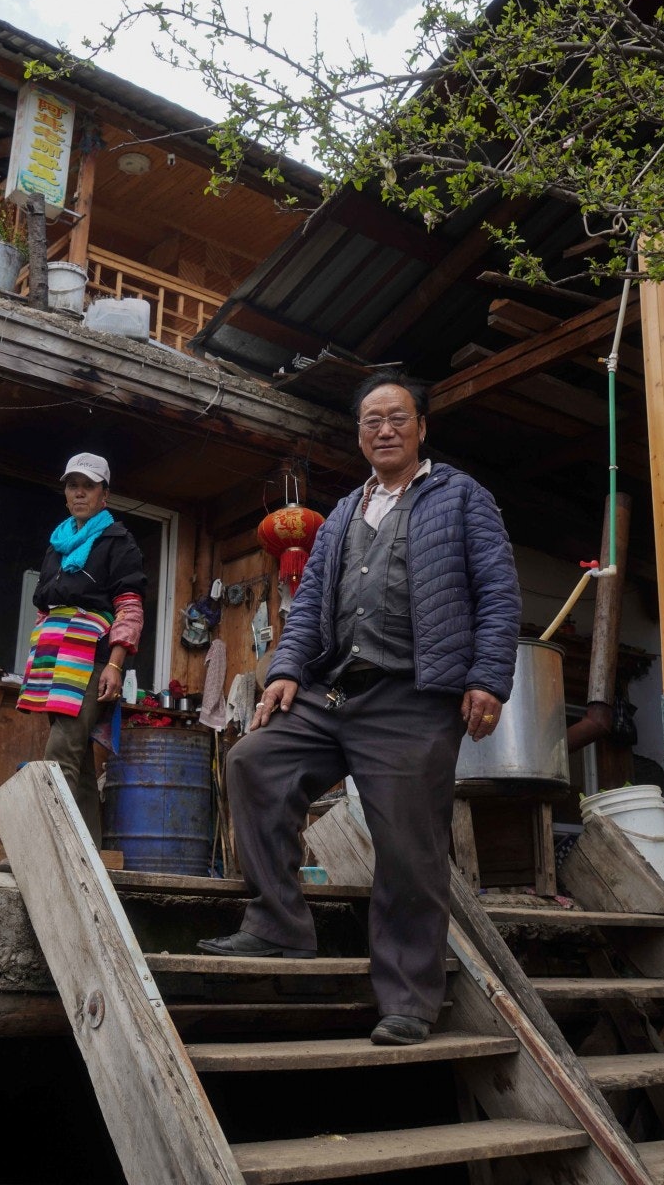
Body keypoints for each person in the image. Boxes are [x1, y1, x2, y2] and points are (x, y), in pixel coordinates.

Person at [200, 370, 521, 1046]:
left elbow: (497, 591)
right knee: (256, 760)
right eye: (372, 420)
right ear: (359, 433)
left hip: (415, 697)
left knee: (409, 848)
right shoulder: (345, 510)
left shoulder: (461, 497)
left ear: (421, 427)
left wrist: (489, 677)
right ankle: (278, 927)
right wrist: (286, 669)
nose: (384, 429)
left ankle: (408, 1000)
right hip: (337, 689)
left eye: (397, 418)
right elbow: (312, 602)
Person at [17, 453, 147, 838]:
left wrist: (116, 664)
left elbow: (130, 607)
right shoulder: (57, 543)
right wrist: (36, 657)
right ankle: (90, 850)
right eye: (72, 485)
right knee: (78, 757)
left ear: (104, 494)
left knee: (60, 752)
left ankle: (42, 847)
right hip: (53, 655)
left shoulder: (118, 542)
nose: (78, 493)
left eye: (88, 486)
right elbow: (45, 606)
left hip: (90, 657)